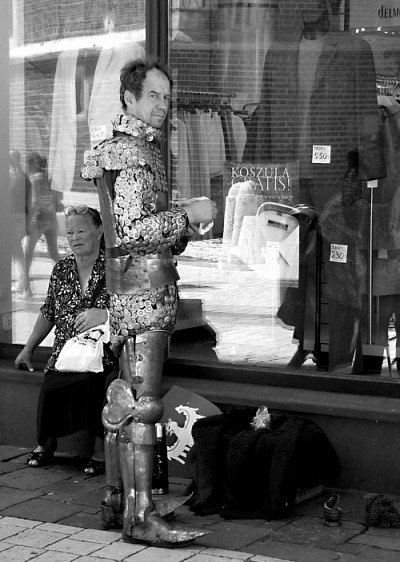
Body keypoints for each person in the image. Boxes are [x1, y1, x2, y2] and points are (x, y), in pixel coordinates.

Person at [81, 57, 217, 547]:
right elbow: (135, 232)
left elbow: (136, 230)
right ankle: (140, 516)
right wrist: (187, 213)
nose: (162, 104)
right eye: (153, 95)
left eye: (166, 96)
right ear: (129, 98)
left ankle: (117, 499)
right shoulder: (135, 154)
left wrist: (180, 226)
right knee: (144, 406)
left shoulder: (121, 149)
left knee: (123, 400)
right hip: (144, 294)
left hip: (131, 291)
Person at [15, 206, 114, 475]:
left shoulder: (115, 268)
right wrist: (28, 348)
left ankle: (99, 451)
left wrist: (105, 314)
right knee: (53, 380)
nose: (74, 238)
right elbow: (48, 312)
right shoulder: (61, 269)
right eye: (70, 233)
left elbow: (133, 309)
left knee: (95, 382)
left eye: (81, 231)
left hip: (101, 352)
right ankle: (46, 444)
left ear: (99, 231)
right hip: (66, 352)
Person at [24, 152, 60, 297]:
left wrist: (29, 221)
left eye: (27, 163)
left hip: (38, 220)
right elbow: (56, 200)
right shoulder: (48, 178)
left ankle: (27, 290)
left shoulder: (34, 179)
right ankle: (74, 277)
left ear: (32, 164)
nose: (26, 166)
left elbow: (34, 202)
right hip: (52, 219)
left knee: (27, 255)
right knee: (54, 254)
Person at [9, 149, 31, 295]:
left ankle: (25, 285)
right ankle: (22, 283)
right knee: (16, 250)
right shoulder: (25, 177)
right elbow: (29, 200)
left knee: (16, 251)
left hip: (11, 216)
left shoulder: (9, 176)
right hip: (22, 216)